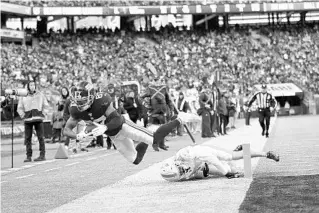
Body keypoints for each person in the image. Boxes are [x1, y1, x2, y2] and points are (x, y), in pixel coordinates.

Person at [63, 81, 189, 165]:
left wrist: (104, 127)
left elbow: (117, 119)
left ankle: (179, 119)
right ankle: (146, 139)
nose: (79, 104)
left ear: (92, 96)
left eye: (83, 100)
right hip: (114, 135)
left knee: (155, 139)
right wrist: (77, 136)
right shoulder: (75, 109)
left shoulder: (101, 101)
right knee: (135, 160)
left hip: (123, 126)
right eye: (78, 101)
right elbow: (67, 129)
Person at [160, 144, 280, 182]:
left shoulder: (189, 154)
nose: (182, 173)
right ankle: (235, 164)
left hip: (208, 153)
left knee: (230, 157)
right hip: (200, 167)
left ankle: (266, 154)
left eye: (180, 171)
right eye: (180, 174)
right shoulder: (174, 168)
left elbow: (213, 160)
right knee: (234, 171)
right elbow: (189, 173)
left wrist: (224, 172)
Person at [17, 80, 50, 162]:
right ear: (28, 86)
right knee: (28, 138)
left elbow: (46, 106)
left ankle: (42, 155)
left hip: (38, 119)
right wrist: (23, 115)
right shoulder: (23, 96)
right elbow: (20, 107)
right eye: (30, 85)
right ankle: (28, 156)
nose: (32, 86)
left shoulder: (40, 95)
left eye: (33, 85)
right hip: (28, 120)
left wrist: (43, 114)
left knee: (41, 137)